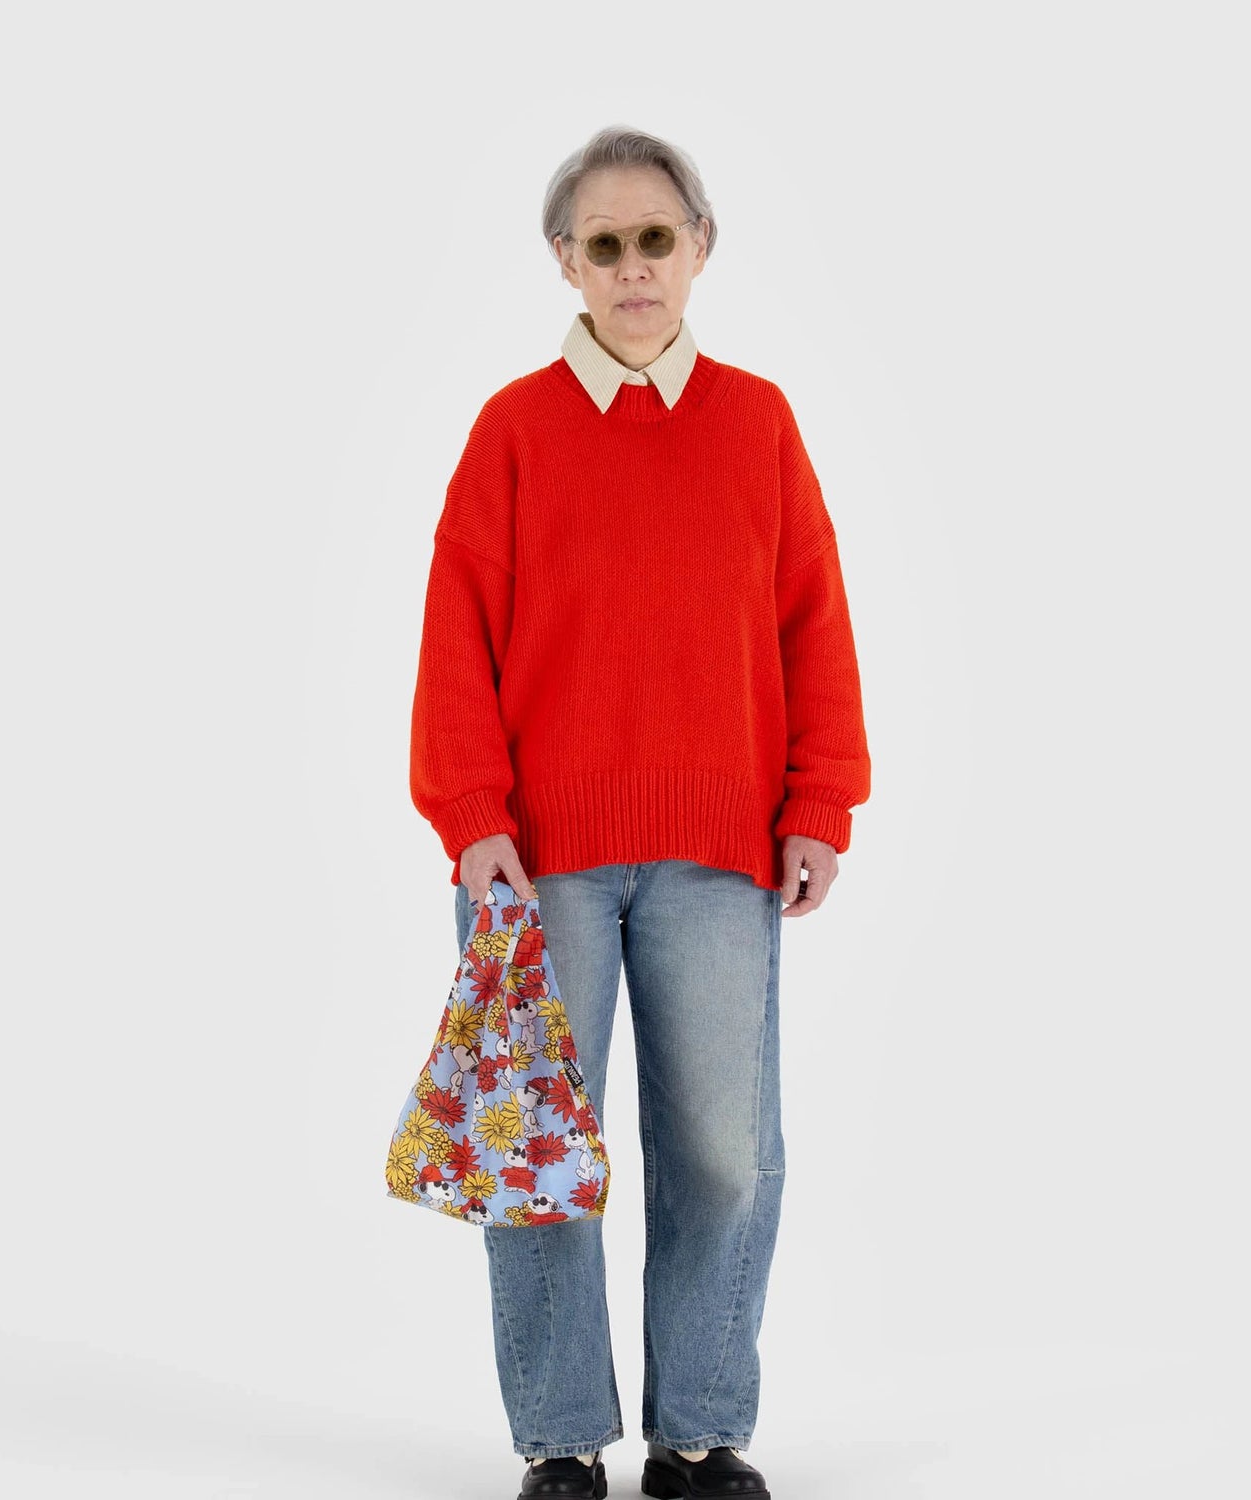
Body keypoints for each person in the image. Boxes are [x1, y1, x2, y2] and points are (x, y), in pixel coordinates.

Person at [408, 124, 871, 1500]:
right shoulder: (511, 430)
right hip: (535, 861)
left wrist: (823, 800)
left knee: (727, 1152)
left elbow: (814, 621)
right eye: (602, 245)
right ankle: (560, 1441)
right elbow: (455, 638)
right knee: (539, 1154)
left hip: (723, 854)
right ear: (566, 260)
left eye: (654, 239)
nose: (631, 269)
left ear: (699, 249)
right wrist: (470, 814)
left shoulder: (759, 423)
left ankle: (700, 1431)